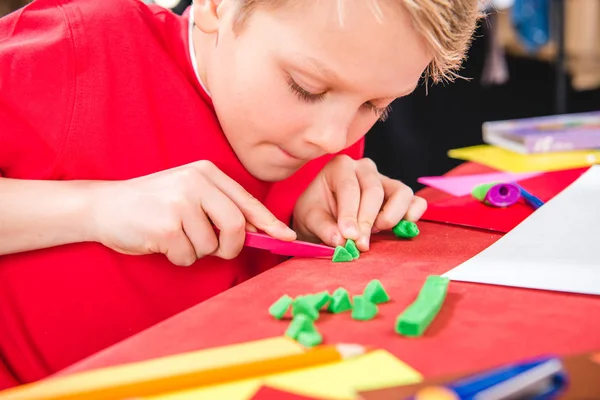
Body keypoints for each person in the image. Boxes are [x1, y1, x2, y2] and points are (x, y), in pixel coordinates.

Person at [0, 0, 481, 388]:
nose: (333, 137)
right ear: (217, 7)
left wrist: (306, 219)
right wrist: (95, 208)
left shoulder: (326, 127)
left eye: (376, 105)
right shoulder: (80, 49)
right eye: (306, 88)